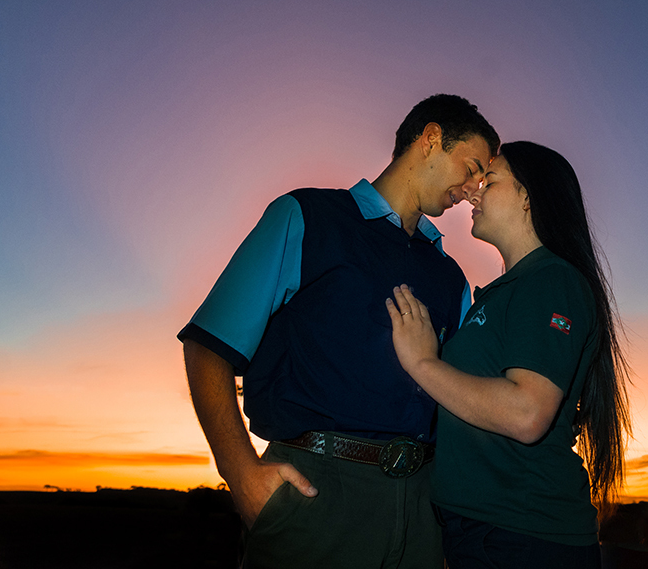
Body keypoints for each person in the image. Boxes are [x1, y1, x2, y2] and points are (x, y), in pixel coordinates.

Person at [178, 94, 500, 569]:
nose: (475, 189)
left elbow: (459, 398)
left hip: (424, 510)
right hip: (316, 497)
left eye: (484, 179)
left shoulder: (451, 278)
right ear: (431, 139)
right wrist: (241, 474)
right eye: (472, 167)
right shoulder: (305, 217)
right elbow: (208, 349)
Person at [386, 141, 631, 569]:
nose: (473, 194)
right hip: (484, 533)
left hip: (523, 537)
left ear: (528, 197)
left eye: (490, 180)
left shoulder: (552, 281)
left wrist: (422, 363)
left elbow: (526, 413)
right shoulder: (506, 291)